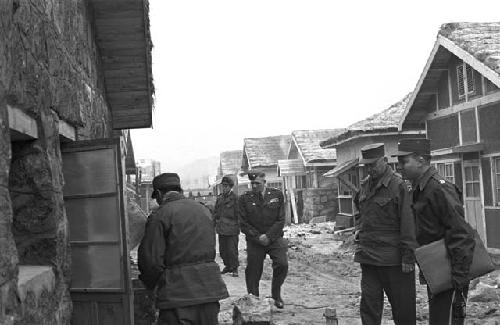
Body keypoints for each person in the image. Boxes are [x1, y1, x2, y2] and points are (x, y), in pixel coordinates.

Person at [393, 138, 475, 325]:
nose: (400, 167)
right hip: (436, 269)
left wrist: (458, 278)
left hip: (450, 272)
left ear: (421, 161)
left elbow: (461, 233)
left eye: (404, 161)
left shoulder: (439, 188)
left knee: (445, 321)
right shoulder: (420, 188)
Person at [138, 172, 229, 325]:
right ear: (179, 190)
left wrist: (151, 287)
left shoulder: (160, 215)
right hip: (210, 290)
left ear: (159, 194)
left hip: (178, 295)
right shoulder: (203, 210)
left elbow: (151, 262)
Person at [353, 143, 417, 325]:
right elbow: (360, 209)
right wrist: (359, 228)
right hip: (368, 258)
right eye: (366, 165)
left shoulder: (400, 185)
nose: (369, 169)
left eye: (373, 164)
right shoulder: (365, 186)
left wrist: (408, 257)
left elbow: (408, 223)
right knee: (369, 307)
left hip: (394, 260)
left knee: (403, 309)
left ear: (385, 161)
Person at [238, 171, 288, 309]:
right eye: (252, 183)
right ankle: (253, 299)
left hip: (274, 238)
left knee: (282, 264)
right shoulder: (244, 199)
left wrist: (269, 236)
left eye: (257, 183)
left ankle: (276, 294)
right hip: (255, 240)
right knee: (253, 270)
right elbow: (243, 223)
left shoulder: (277, 195)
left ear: (264, 182)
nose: (254, 186)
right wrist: (258, 237)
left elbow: (281, 219)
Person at [214, 175, 240, 277]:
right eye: (223, 186)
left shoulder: (235, 198)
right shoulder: (220, 198)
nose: (224, 188)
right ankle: (228, 266)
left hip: (232, 228)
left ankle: (234, 268)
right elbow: (216, 212)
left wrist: (238, 225)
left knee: (232, 250)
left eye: (225, 186)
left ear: (230, 187)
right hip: (221, 229)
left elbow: (239, 214)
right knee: (223, 250)